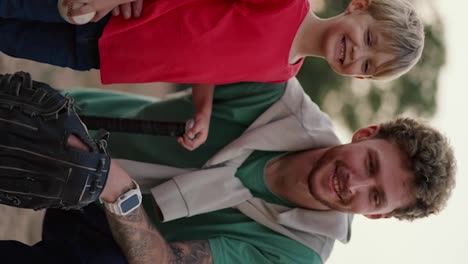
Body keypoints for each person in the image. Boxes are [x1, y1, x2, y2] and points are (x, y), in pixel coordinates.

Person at [0, 78, 455, 264]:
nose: (353, 183)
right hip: (74, 143)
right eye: (370, 164)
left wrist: (118, 192)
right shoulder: (280, 99)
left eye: (374, 196)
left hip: (119, 238)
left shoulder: (298, 253)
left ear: (375, 215)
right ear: (365, 133)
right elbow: (213, 30)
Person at [0, 0, 425, 150]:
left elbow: (210, 63)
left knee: (9, 37)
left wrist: (202, 108)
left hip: (103, 55)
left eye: (368, 64)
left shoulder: (281, 74)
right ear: (358, 5)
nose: (357, 53)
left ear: (361, 79)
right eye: (368, 36)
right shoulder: (284, 4)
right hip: (111, 12)